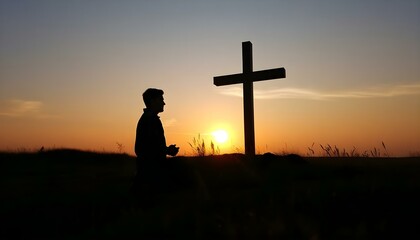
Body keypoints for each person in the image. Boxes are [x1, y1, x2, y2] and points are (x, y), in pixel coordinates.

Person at [133, 88, 179, 197]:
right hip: (152, 171)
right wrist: (168, 150)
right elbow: (150, 148)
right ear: (152, 101)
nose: (164, 103)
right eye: (161, 99)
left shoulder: (149, 119)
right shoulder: (150, 120)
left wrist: (167, 150)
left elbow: (152, 145)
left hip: (149, 170)